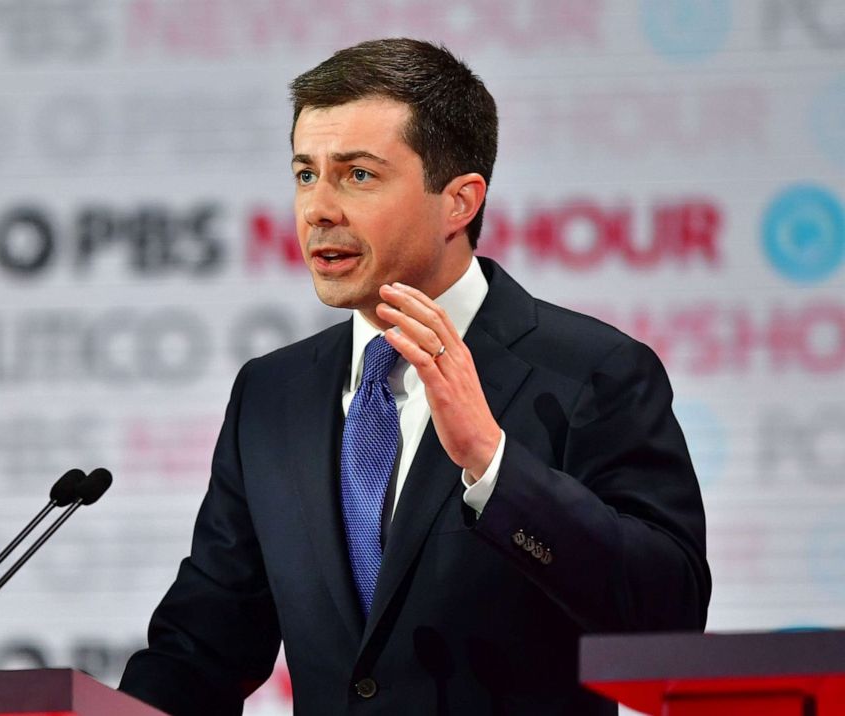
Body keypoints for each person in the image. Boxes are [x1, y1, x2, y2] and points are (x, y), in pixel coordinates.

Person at [119, 38, 710, 715]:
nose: (318, 210)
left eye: (358, 175)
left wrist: (493, 467)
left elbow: (669, 616)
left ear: (458, 202)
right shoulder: (271, 396)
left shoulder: (589, 373)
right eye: (305, 174)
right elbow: (201, 649)